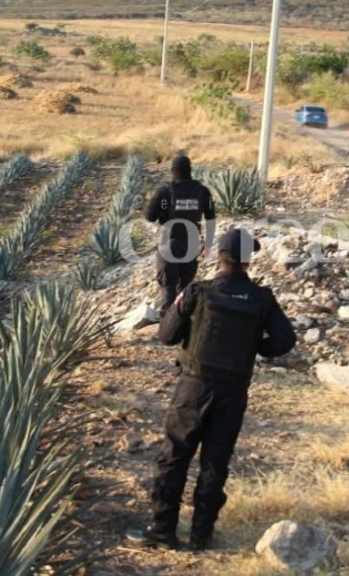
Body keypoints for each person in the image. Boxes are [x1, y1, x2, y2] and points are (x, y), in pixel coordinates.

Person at [126, 229, 297, 551]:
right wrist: (255, 347)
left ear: (219, 255)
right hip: (233, 391)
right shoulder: (262, 299)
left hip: (194, 386)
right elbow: (285, 340)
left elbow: (166, 335)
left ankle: (162, 531)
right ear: (248, 260)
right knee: (215, 462)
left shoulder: (199, 291)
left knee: (174, 457)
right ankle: (201, 535)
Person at [145, 152, 217, 320]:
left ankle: (168, 325)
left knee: (168, 286)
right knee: (184, 287)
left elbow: (150, 217)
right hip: (191, 244)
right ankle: (183, 324)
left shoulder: (164, 190)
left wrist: (161, 208)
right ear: (190, 170)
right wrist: (208, 244)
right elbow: (211, 218)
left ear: (172, 170)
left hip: (169, 242)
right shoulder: (203, 191)